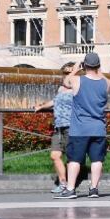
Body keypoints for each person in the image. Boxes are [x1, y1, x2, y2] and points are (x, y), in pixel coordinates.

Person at [56, 52, 110, 199]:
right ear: (98, 66)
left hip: (79, 129)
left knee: (74, 160)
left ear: (85, 65)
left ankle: (70, 189)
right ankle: (94, 189)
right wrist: (99, 71)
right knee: (97, 160)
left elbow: (65, 83)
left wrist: (75, 68)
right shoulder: (105, 83)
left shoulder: (77, 80)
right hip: (99, 128)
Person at [33, 62, 76, 195]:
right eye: (65, 73)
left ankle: (70, 185)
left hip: (71, 125)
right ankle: (63, 183)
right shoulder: (61, 89)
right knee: (55, 155)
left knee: (71, 157)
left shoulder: (77, 87)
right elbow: (55, 101)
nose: (66, 76)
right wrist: (42, 106)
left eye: (69, 73)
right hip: (58, 126)